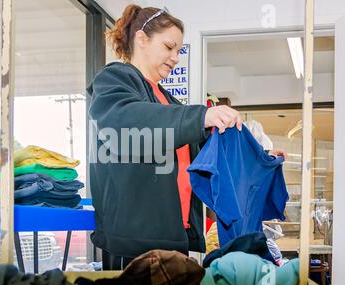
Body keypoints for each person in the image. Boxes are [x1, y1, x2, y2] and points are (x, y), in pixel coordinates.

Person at [87, 4, 286, 270]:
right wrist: (202, 116)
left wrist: (257, 158)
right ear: (142, 39)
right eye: (169, 47)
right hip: (135, 240)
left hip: (172, 232)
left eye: (178, 51)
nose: (175, 57)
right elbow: (126, 124)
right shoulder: (114, 80)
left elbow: (206, 153)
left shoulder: (168, 101)